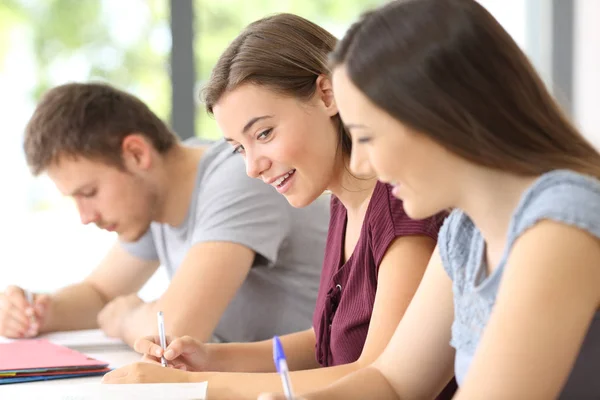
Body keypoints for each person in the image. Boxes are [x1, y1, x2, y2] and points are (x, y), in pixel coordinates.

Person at [102, 12, 454, 399]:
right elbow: (327, 343)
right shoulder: (343, 202)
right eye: (239, 148)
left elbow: (374, 374)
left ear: (327, 94)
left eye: (264, 133)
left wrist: (193, 386)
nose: (253, 167)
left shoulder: (400, 206)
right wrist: (211, 359)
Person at [258, 0, 600, 399]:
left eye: (366, 136)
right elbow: (395, 383)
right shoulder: (463, 234)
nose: (360, 162)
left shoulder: (561, 221)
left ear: (437, 116)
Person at [0, 82, 329, 347]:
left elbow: (174, 332)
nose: (85, 216)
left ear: (136, 153)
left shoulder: (239, 176)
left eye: (89, 193)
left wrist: (127, 316)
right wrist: (34, 310)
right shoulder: (154, 205)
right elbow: (99, 294)